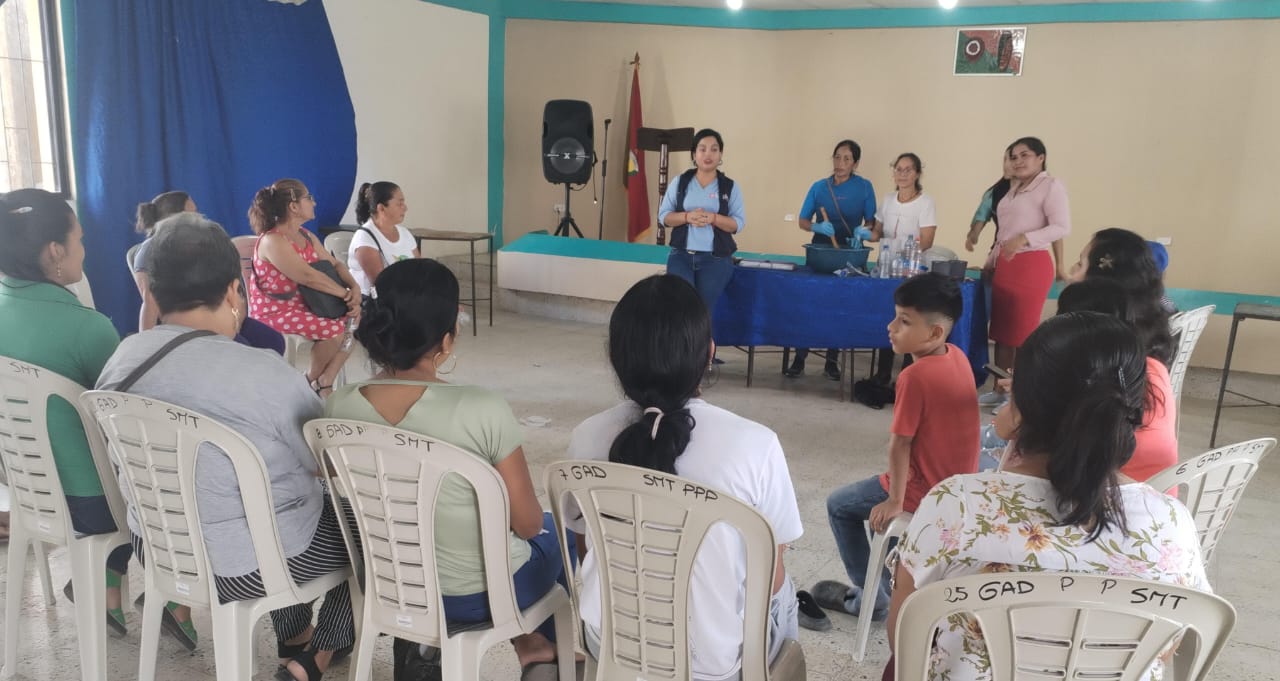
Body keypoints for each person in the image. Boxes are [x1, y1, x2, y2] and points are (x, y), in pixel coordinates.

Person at [96, 215, 356, 681]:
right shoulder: (264, 372)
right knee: (369, 527)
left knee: (272, 502)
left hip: (156, 550)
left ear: (152, 292)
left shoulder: (121, 359)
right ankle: (320, 651)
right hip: (247, 567)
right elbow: (325, 462)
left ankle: (295, 636)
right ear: (236, 291)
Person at [888, 313, 1208, 681]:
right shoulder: (1169, 522)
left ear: (1021, 402)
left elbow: (904, 637)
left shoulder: (956, 504)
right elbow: (1173, 643)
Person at [325, 259, 570, 677]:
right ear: (447, 338)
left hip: (390, 586)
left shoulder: (339, 406)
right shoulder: (481, 408)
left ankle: (499, 647)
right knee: (556, 535)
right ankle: (536, 650)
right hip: (478, 597)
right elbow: (527, 525)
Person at [567, 274, 803, 680]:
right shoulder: (756, 444)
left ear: (616, 359)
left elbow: (586, 546)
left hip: (609, 641)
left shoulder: (586, 437)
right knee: (786, 594)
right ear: (709, 353)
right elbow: (770, 573)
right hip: (716, 662)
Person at [0, 188, 143, 640]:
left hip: (25, 489)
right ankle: (171, 597)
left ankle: (106, 587)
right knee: (167, 477)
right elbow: (127, 423)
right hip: (90, 503)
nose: (85, 248)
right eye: (79, 238)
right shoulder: (88, 328)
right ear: (55, 251)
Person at [809, 273, 978, 625]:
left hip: (923, 491)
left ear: (934, 333)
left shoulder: (914, 377)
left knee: (839, 505)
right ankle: (887, 582)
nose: (891, 327)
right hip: (956, 487)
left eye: (904, 321)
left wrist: (896, 500)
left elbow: (900, 444)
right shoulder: (958, 356)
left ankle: (875, 597)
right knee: (877, 517)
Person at [979, 137, 1070, 411]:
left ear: (1041, 158)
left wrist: (1025, 238)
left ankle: (1018, 396)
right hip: (1005, 265)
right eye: (1013, 156)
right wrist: (990, 262)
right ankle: (1000, 389)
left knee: (1022, 333)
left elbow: (1061, 227)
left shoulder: (1050, 186)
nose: (1018, 161)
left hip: (1032, 264)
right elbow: (1003, 235)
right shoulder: (1013, 189)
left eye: (1025, 155)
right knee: (1002, 332)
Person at [133, 191, 284, 354]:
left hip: (220, 316)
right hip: (194, 327)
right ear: (175, 217)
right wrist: (147, 348)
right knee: (246, 351)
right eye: (194, 213)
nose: (199, 217)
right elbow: (149, 303)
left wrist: (235, 317)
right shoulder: (151, 250)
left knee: (274, 341)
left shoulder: (193, 245)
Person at [248, 178, 361, 396]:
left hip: (310, 304)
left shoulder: (306, 235)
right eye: (309, 198)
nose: (314, 203)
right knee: (335, 330)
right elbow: (308, 277)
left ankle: (325, 380)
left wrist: (354, 287)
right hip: (276, 311)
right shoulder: (273, 240)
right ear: (293, 206)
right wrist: (346, 295)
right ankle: (308, 382)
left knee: (355, 319)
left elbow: (335, 264)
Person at [1055, 279, 1176, 482]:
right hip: (1156, 488)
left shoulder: (1103, 383)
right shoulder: (1149, 365)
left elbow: (1058, 447)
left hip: (1118, 491)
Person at [785, 139, 876, 381]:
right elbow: (803, 220)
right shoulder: (819, 187)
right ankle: (799, 358)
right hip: (821, 253)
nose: (840, 163)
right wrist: (816, 226)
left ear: (855, 163)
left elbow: (871, 222)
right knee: (809, 305)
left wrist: (863, 233)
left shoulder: (864, 188)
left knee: (840, 307)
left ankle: (832, 360)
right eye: (837, 157)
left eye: (847, 158)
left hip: (849, 253)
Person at [657, 129, 746, 328]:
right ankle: (680, 348)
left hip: (715, 260)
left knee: (704, 312)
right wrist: (687, 217)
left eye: (714, 149)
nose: (708, 154)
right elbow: (664, 217)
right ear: (693, 154)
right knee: (681, 309)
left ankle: (703, 348)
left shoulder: (729, 187)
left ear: (721, 155)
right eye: (702, 149)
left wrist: (714, 218)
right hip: (681, 256)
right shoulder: (680, 182)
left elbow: (738, 223)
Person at [866, 153, 938, 386]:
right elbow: (877, 232)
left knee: (910, 322)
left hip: (911, 273)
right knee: (888, 319)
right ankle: (882, 374)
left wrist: (904, 253)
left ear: (917, 173)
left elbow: (927, 240)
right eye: (899, 169)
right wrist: (865, 233)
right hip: (886, 271)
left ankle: (908, 376)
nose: (903, 174)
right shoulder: (888, 200)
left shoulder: (925, 202)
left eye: (908, 170)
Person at [1066, 227, 1175, 367]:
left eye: (1080, 264)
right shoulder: (1144, 334)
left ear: (1100, 283)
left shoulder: (1097, 350)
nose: (1072, 273)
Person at [347, 181, 418, 296]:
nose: (405, 208)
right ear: (381, 208)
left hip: (404, 297)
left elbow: (420, 271)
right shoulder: (365, 238)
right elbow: (381, 285)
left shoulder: (405, 233)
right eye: (399, 204)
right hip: (373, 302)